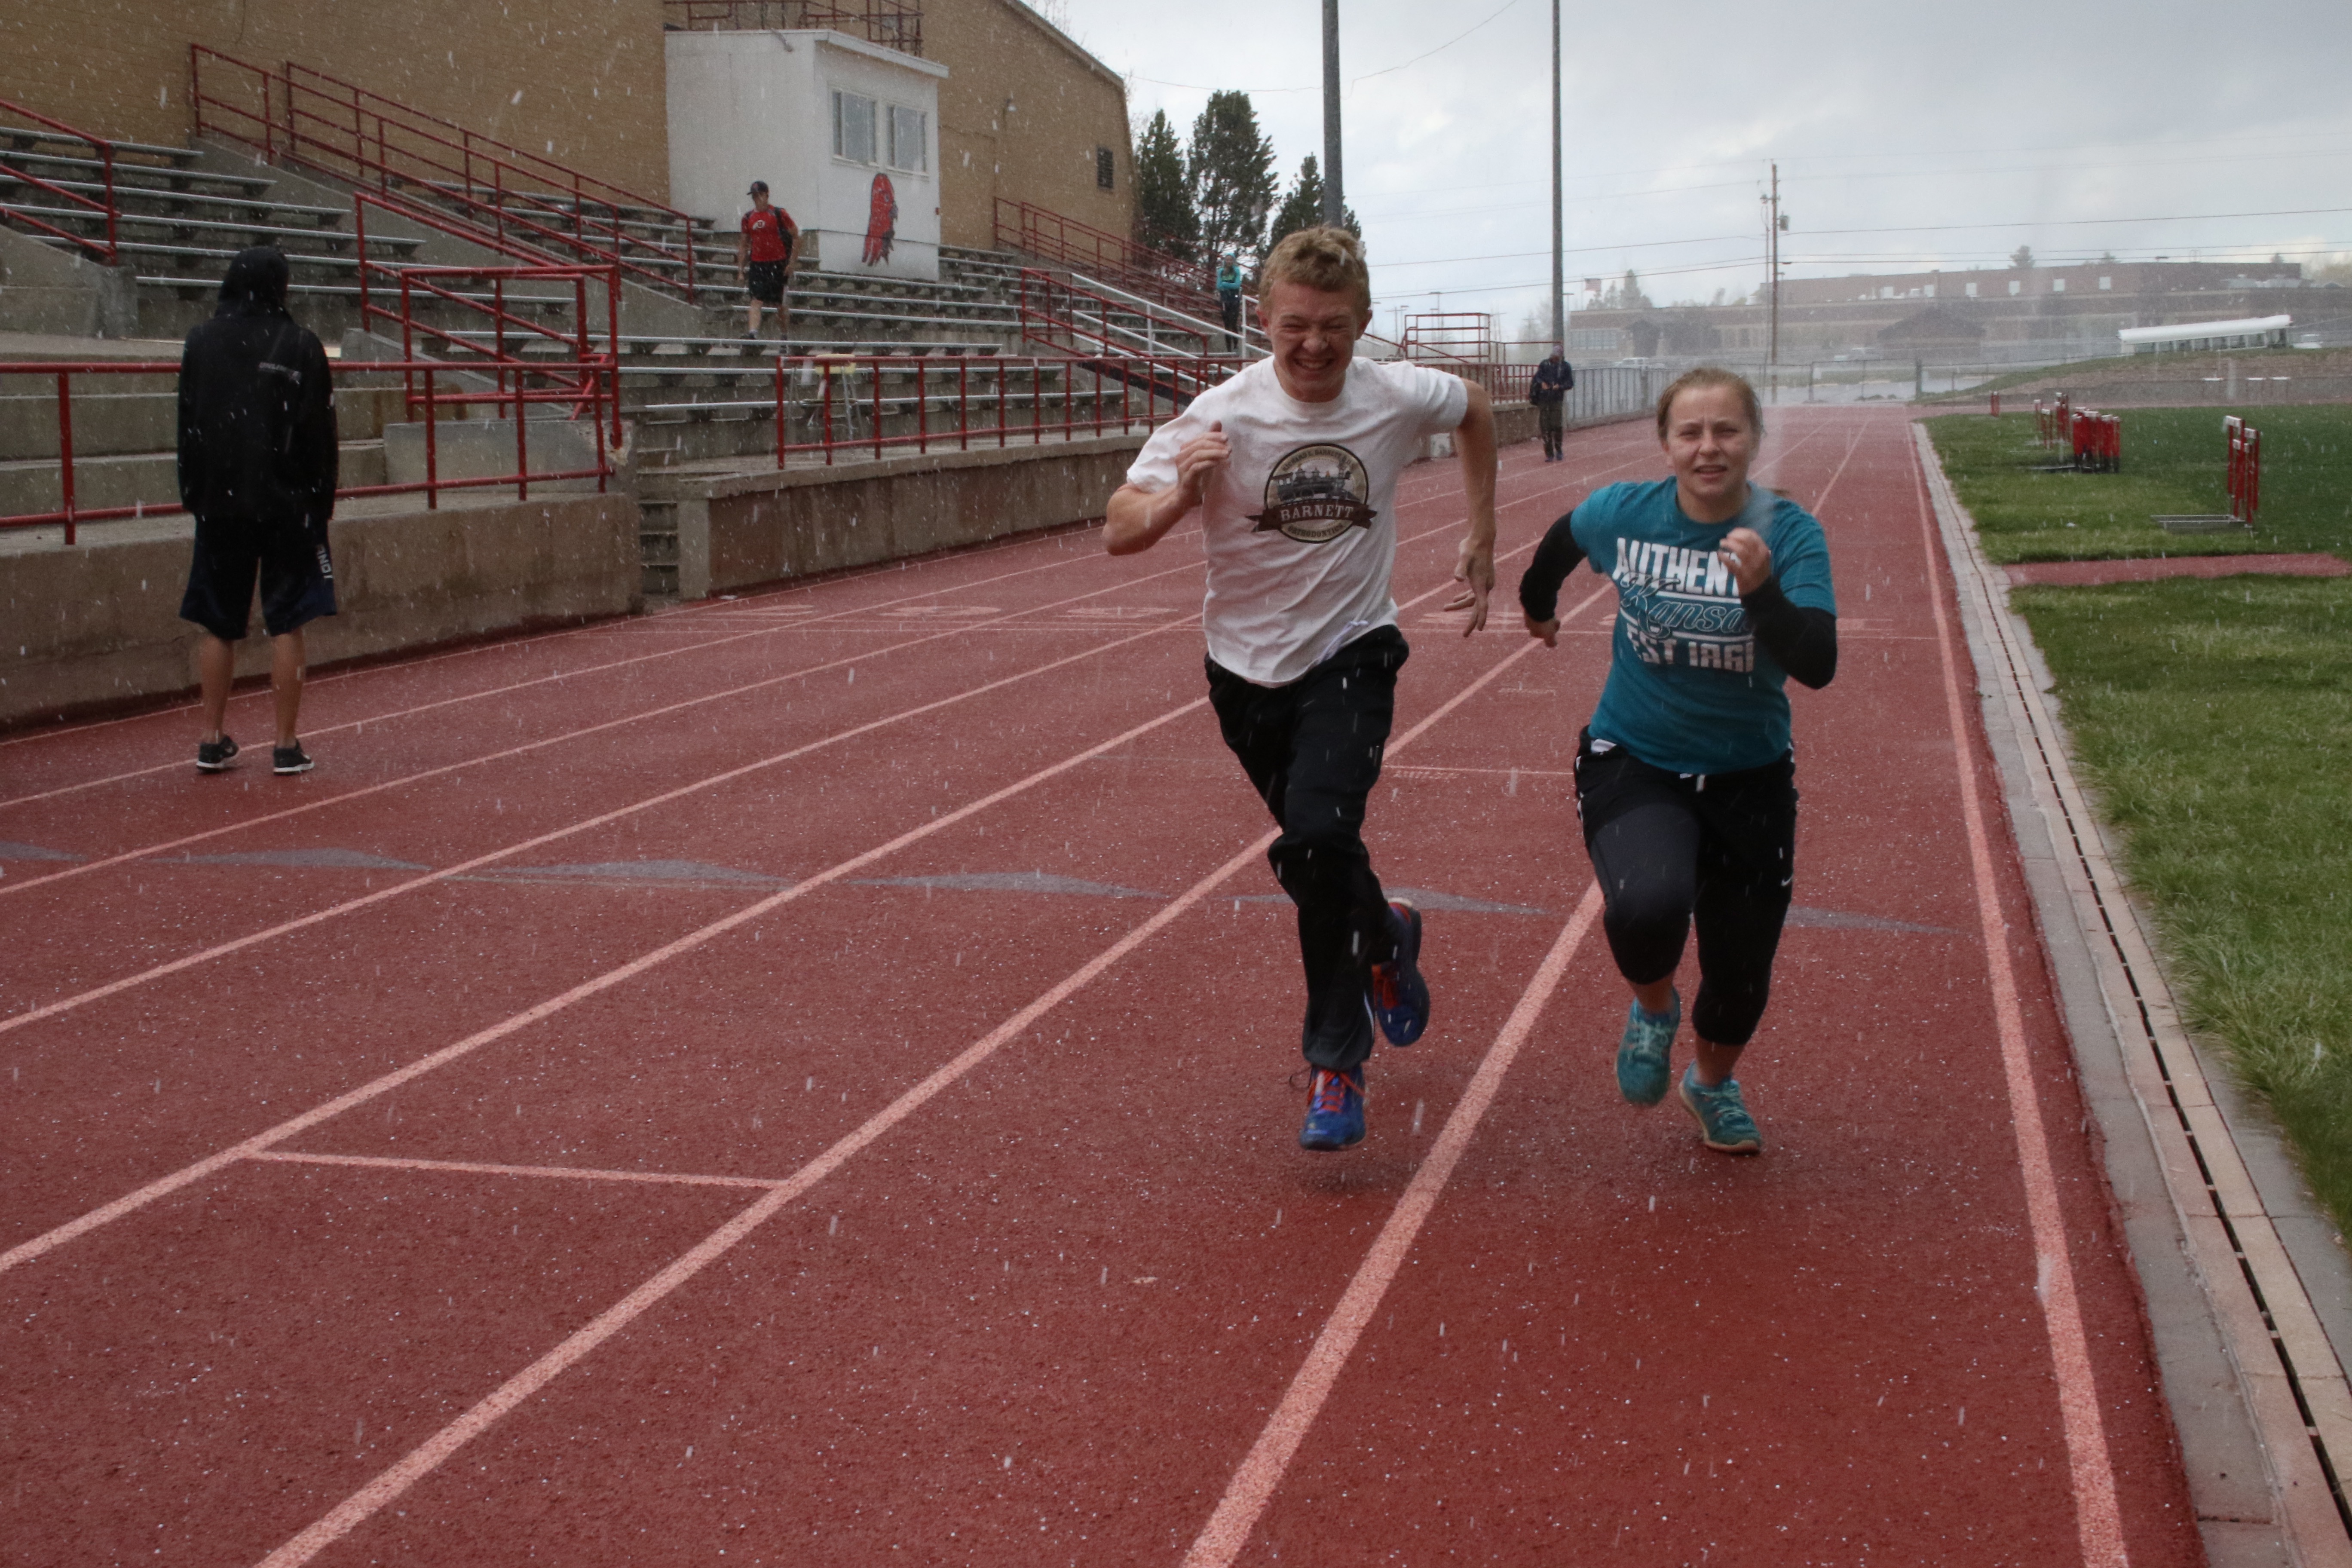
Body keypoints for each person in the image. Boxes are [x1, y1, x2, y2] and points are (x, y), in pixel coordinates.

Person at [1106, 226, 1499, 1152]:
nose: (1314, 344)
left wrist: (1482, 531)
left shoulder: (1394, 397)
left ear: (1364, 323)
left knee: (1320, 836)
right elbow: (1119, 528)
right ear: (1263, 320)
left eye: (1333, 327)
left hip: (1354, 655)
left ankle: (1335, 1063)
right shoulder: (1220, 415)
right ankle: (1385, 932)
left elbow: (1477, 406)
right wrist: (1173, 499)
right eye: (1295, 326)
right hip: (1243, 675)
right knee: (1321, 860)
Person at [1516, 366, 1837, 1154]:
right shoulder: (1623, 514)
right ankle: (1653, 1009)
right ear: (1665, 443)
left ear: (1752, 440)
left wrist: (1761, 591)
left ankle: (1711, 1083)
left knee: (1739, 977)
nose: (1708, 448)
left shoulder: (1789, 535)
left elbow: (1818, 662)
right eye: (1690, 432)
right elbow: (1558, 544)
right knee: (1647, 903)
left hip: (1749, 774)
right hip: (1635, 755)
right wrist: (1537, 606)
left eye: (1725, 431)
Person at [176, 245, 338, 776]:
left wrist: (195, 492)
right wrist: (320, 502)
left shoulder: (201, 341)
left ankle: (211, 736)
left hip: (221, 501)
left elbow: (188, 421)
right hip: (287, 501)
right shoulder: (300, 344)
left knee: (217, 622)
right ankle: (286, 743)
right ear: (280, 287)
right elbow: (320, 434)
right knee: (287, 621)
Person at [736, 180, 799, 342]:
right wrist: (741, 270)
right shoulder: (748, 217)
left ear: (767, 195)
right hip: (758, 263)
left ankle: (784, 336)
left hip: (778, 263)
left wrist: (792, 263)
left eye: (760, 195)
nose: (757, 199)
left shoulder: (779, 214)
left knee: (780, 304)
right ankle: (753, 333)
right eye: (754, 196)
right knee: (756, 300)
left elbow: (796, 237)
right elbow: (744, 244)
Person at [1529, 348, 1574, 462]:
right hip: (1544, 399)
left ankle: (1559, 450)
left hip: (1557, 400)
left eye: (1556, 356)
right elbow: (1537, 377)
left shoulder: (1565, 367)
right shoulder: (1544, 364)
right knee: (1545, 428)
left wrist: (1560, 386)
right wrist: (1542, 383)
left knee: (1557, 426)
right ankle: (1549, 453)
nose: (1554, 358)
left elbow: (1570, 383)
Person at [1216, 253, 1244, 352]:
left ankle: (1236, 346)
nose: (1229, 262)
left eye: (1231, 260)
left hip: (1234, 299)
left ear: (1233, 261)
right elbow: (1219, 286)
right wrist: (1227, 285)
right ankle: (1228, 348)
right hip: (1225, 299)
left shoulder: (1236, 271)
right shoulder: (1221, 271)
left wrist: (1225, 284)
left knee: (1233, 323)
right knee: (1227, 324)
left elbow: (1237, 285)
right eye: (1227, 260)